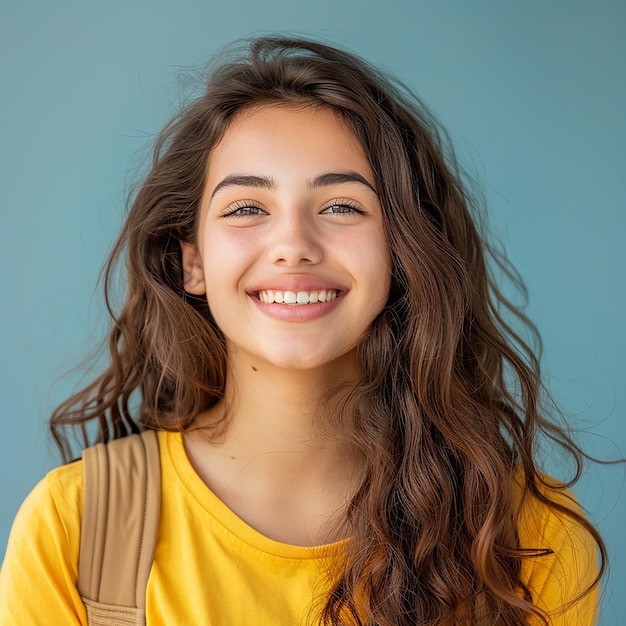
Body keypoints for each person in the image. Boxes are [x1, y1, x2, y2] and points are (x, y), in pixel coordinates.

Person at [0, 35, 603, 625]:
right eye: (246, 208)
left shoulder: (528, 536)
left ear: (402, 251)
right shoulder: (71, 526)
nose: (293, 245)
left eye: (341, 206)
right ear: (194, 262)